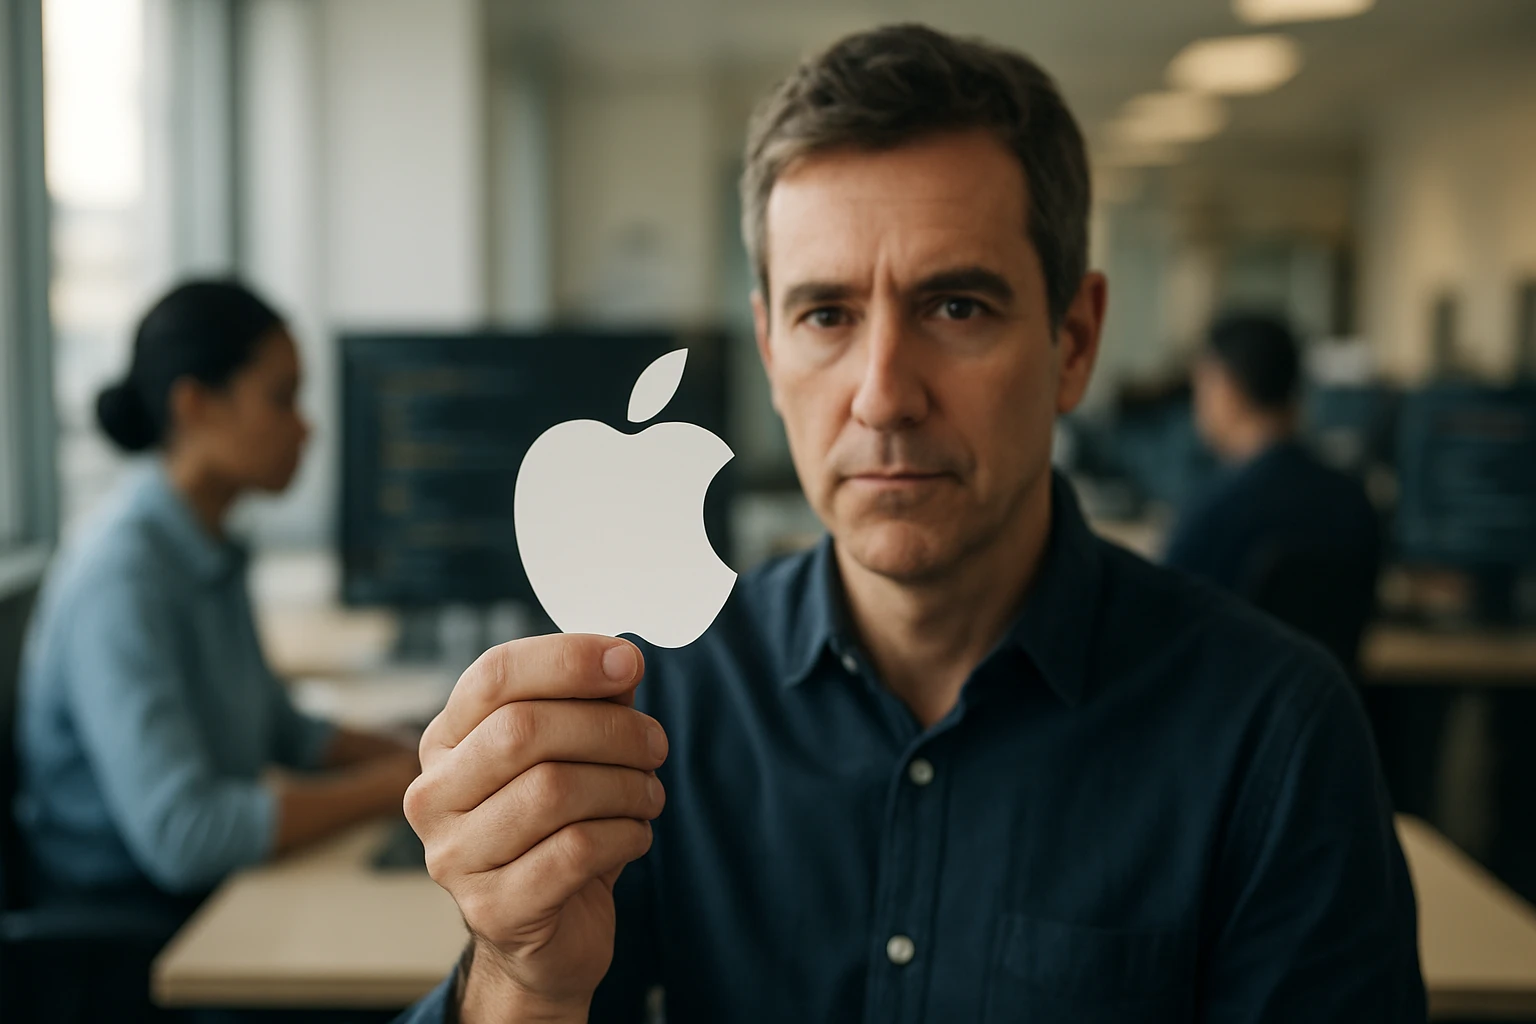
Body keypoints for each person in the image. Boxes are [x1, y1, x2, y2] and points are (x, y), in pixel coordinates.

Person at [395, 25, 1424, 1024]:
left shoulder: (1272, 735)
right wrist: (527, 982)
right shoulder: (658, 706)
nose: (882, 396)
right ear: (768, 345)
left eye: (956, 307)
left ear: (1074, 341)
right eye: (827, 315)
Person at [15, 280, 419, 1018]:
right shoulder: (122, 577)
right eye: (283, 397)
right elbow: (185, 833)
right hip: (140, 932)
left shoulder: (206, 546)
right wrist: (397, 787)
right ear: (194, 404)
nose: (307, 428)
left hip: (206, 899)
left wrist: (419, 748)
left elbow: (283, 731)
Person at [1166, 313, 1382, 675]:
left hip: (1225, 719)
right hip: (1326, 717)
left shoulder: (1213, 509)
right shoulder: (1354, 502)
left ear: (1226, 388)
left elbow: (1161, 627)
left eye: (1201, 386)